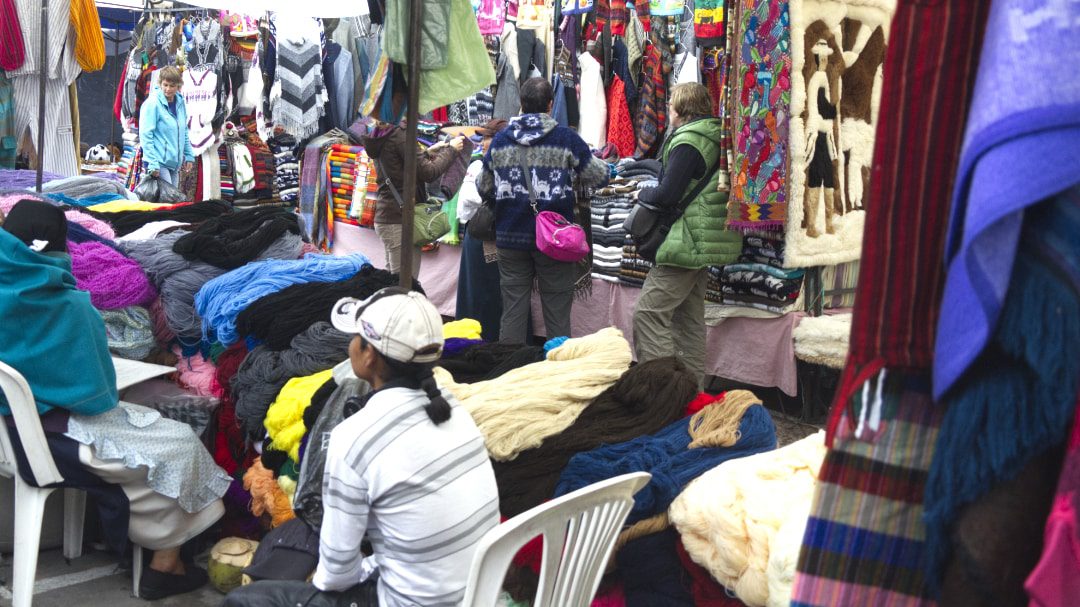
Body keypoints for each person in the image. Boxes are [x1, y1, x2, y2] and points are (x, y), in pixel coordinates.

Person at [0, 199, 230, 600]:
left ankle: (133, 543)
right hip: (50, 439)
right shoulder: (69, 307)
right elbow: (96, 398)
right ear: (59, 248)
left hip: (9, 432)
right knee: (179, 443)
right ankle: (165, 565)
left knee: (154, 434)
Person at [223, 288, 499, 607]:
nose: (349, 345)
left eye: (355, 337)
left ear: (368, 355)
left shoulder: (355, 435)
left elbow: (335, 577)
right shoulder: (453, 409)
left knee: (244, 601)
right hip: (475, 595)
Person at [478, 77, 610, 343]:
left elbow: (483, 186)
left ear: (521, 104)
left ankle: (511, 373)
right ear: (551, 105)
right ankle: (557, 373)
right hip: (554, 238)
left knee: (513, 311)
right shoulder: (565, 139)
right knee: (557, 314)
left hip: (510, 237)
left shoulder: (501, 140)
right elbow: (598, 177)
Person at [632, 83, 741, 388]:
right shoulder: (714, 136)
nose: (667, 110)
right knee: (689, 321)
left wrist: (641, 193)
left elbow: (668, 193)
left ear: (680, 109)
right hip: (703, 239)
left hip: (685, 241)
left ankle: (662, 390)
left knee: (649, 315)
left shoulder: (689, 141)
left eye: (670, 105)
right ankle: (692, 393)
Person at [363, 121, 466, 279]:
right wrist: (451, 150)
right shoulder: (399, 135)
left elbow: (398, 164)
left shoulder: (380, 134)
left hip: (389, 216)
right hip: (399, 221)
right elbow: (429, 172)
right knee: (404, 286)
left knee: (393, 283)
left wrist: (428, 152)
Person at [456, 119, 508, 341]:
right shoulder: (477, 165)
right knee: (477, 291)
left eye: (490, 137)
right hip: (479, 236)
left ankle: (491, 338)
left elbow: (473, 198)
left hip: (496, 236)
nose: (485, 143)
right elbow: (467, 198)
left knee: (495, 293)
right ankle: (475, 338)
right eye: (484, 137)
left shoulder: (505, 166)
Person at [139, 66, 195, 188]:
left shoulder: (180, 102)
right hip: (158, 162)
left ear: (178, 86)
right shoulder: (152, 103)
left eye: (172, 86)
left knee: (171, 202)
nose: (168, 89)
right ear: (160, 83)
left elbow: (183, 131)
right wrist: (152, 163)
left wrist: (189, 155)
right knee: (166, 201)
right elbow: (145, 134)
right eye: (165, 85)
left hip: (175, 163)